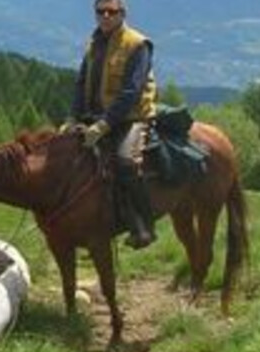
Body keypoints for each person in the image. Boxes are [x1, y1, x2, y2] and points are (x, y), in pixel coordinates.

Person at [70, 0, 158, 249]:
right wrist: (72, 118)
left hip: (132, 117)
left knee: (125, 161)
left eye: (112, 11)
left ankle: (144, 226)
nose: (106, 16)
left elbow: (132, 92)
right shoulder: (93, 44)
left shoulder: (138, 44)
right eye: (101, 11)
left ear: (123, 13)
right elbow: (81, 84)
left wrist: (103, 125)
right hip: (96, 117)